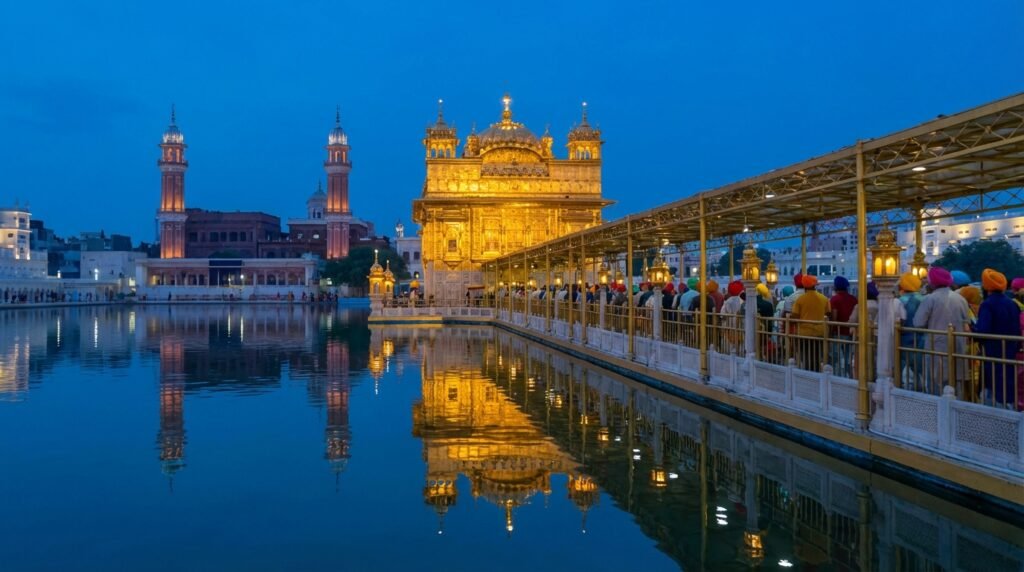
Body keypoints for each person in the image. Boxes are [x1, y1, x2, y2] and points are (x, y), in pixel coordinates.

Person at [913, 267, 971, 394]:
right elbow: (967, 322)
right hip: (958, 347)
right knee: (956, 386)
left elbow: (918, 323)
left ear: (932, 283)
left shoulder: (930, 299)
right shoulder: (960, 298)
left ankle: (938, 413)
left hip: (936, 347)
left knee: (937, 386)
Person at [974, 269, 1021, 409]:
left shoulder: (988, 304)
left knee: (993, 385)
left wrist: (972, 330)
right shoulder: (1012, 303)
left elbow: (983, 330)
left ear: (986, 286)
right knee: (1008, 385)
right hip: (1010, 350)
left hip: (993, 351)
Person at [790, 275, 830, 371]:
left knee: (806, 356)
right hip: (820, 332)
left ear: (804, 286)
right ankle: (816, 374)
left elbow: (795, 316)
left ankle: (809, 375)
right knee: (817, 357)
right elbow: (828, 313)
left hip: (805, 333)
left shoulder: (800, 299)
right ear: (815, 286)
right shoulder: (824, 298)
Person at [897, 273, 926, 390]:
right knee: (920, 371)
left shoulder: (900, 301)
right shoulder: (923, 299)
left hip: (902, 339)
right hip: (920, 339)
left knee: (901, 369)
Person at [829, 276, 857, 377]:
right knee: (848, 357)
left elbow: (834, 316)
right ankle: (849, 376)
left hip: (838, 332)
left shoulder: (834, 299)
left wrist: (831, 330)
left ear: (835, 287)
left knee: (835, 356)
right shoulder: (853, 299)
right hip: (850, 332)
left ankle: (837, 376)